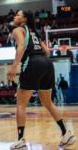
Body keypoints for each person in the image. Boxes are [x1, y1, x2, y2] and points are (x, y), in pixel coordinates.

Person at [7, 10, 76, 149]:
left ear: (24, 19)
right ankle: (66, 133)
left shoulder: (18, 30)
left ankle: (21, 140)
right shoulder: (35, 33)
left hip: (33, 63)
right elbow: (47, 51)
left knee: (21, 104)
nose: (15, 17)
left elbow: (21, 46)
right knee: (48, 103)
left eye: (18, 15)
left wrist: (14, 67)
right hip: (47, 64)